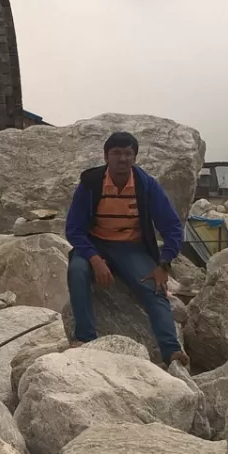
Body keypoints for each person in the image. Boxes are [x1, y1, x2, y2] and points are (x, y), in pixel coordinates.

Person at [65, 129, 189, 368]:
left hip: (131, 247)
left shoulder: (146, 186)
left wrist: (164, 264)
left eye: (128, 153)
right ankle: (85, 338)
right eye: (116, 153)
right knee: (77, 272)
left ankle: (171, 351)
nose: (122, 159)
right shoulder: (91, 184)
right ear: (106, 156)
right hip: (95, 244)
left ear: (134, 157)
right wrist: (95, 259)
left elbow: (172, 226)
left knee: (156, 290)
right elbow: (74, 229)